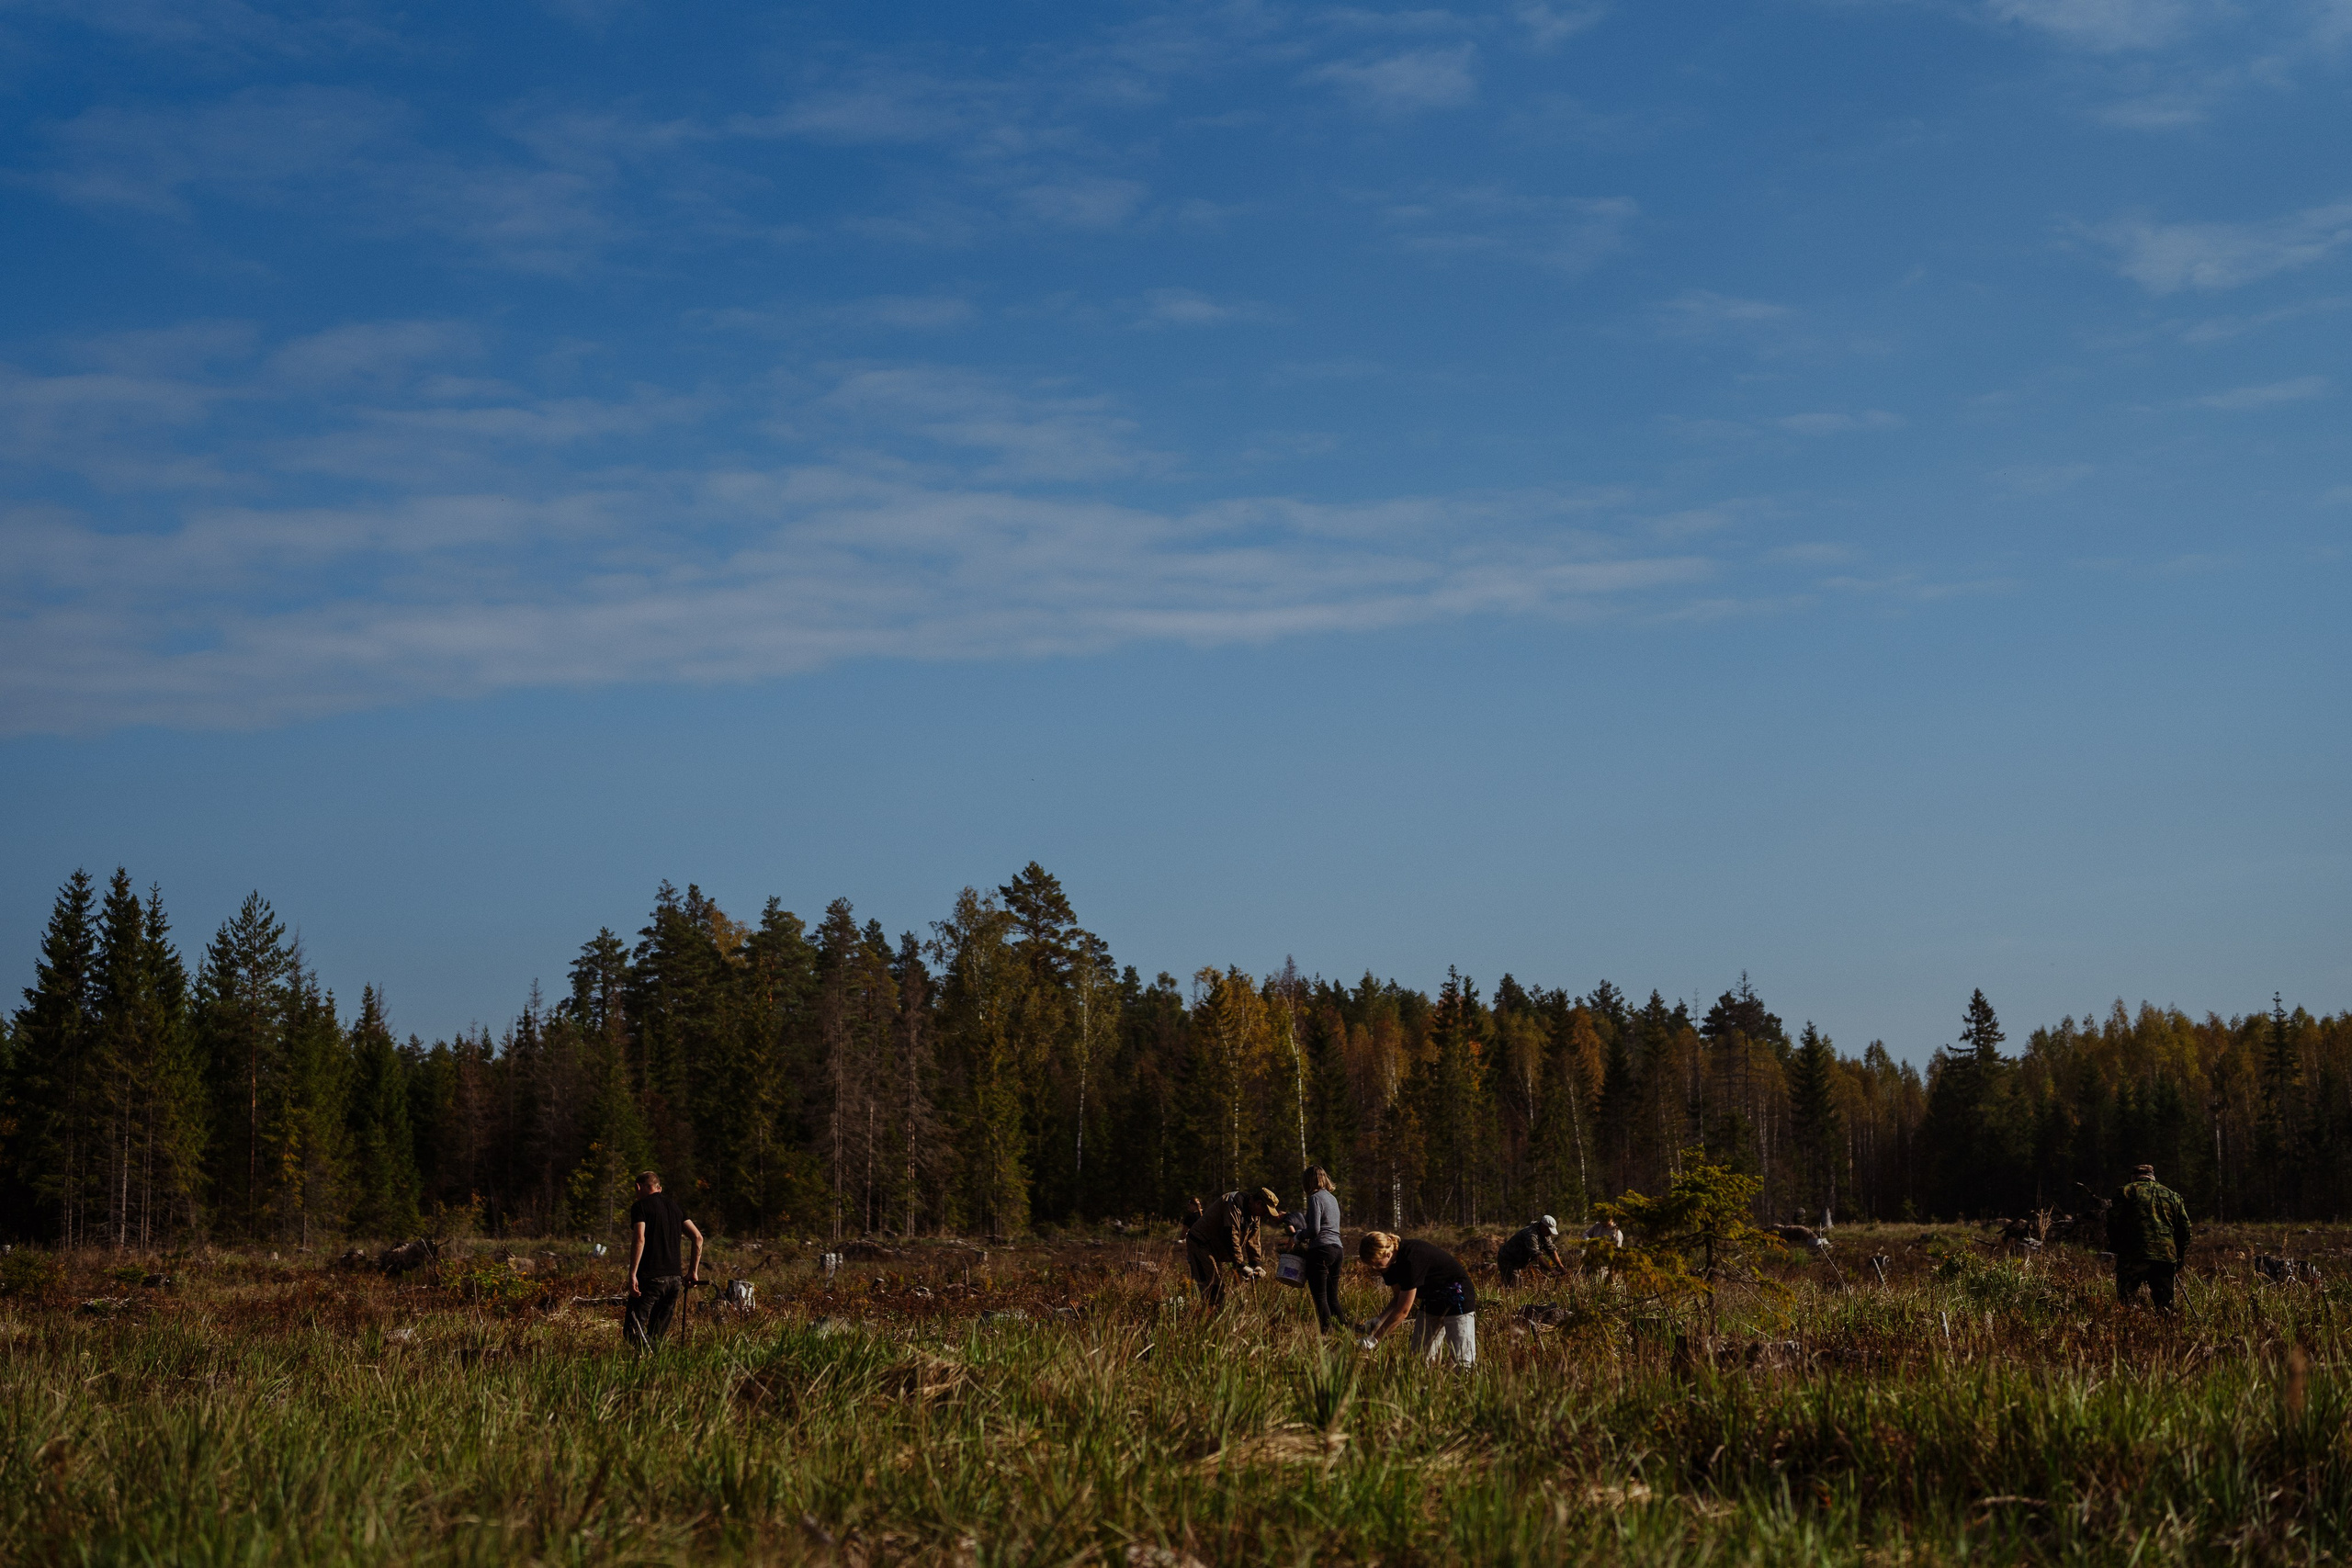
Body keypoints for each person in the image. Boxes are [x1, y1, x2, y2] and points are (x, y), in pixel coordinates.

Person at [1356, 1231, 1477, 1368]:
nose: (1375, 1268)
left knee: (1461, 1359)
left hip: (1457, 1297)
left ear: (1388, 1253)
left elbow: (1403, 1311)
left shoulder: (1412, 1258)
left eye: (1377, 1264)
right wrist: (1379, 1319)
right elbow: (1397, 1299)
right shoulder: (1387, 1266)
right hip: (1432, 1299)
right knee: (1419, 1356)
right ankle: (1427, 1387)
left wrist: (1373, 1340)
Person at [624, 1169, 704, 1348]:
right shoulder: (676, 1208)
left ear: (639, 1187)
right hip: (674, 1280)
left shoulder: (640, 1207)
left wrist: (632, 1273)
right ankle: (656, 1368)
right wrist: (693, 1271)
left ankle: (666, 1354)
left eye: (636, 1190)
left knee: (633, 1331)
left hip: (651, 1278)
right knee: (655, 1336)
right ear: (659, 1188)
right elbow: (698, 1238)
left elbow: (639, 1238)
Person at [1185, 1187, 1284, 1312]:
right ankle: (1208, 1321)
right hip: (1201, 1244)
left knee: (1219, 1286)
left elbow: (1253, 1240)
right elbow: (1231, 1236)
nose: (1266, 1215)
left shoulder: (1255, 1214)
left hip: (1216, 1248)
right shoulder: (1233, 1204)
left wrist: (1256, 1264)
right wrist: (1240, 1265)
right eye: (1266, 1211)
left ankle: (1216, 1317)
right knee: (1212, 1287)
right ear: (1259, 1203)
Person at [2110, 1162, 2191, 1311]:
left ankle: (2130, 1330)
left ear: (2134, 1177)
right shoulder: (2172, 1195)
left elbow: (2114, 1223)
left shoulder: (2126, 1192)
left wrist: (2117, 1247)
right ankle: (2168, 1331)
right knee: (2166, 1306)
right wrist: (2179, 1254)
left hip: (2133, 1255)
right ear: (2153, 1177)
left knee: (2126, 1301)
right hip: (2165, 1256)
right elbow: (2184, 1229)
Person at [1291, 1167, 1344, 1331]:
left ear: (1307, 1182)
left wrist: (1298, 1236)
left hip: (1321, 1249)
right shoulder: (1332, 1198)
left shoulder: (1314, 1198)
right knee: (1332, 1297)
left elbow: (1314, 1229)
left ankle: (1327, 1333)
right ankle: (1344, 1331)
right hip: (1338, 1249)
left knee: (1320, 1297)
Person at [1496, 1215, 1566, 1286]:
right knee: (1514, 1287)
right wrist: (1551, 1270)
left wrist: (1561, 1266)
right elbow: (1536, 1255)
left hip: (1518, 1261)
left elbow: (1551, 1250)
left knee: (1518, 1285)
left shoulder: (1544, 1234)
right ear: (1543, 1226)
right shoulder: (1531, 1235)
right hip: (1508, 1259)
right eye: (1549, 1230)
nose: (1550, 1233)